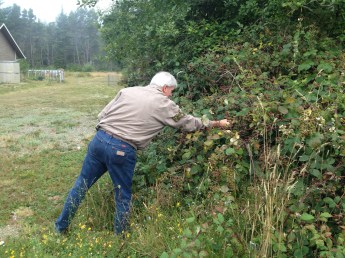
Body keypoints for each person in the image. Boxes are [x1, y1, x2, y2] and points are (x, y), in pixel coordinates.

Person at [55, 71, 229, 235]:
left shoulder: (127, 91)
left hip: (99, 141)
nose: (171, 95)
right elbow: (189, 123)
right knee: (122, 196)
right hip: (122, 150)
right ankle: (121, 238)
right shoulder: (163, 104)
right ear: (165, 88)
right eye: (171, 91)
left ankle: (61, 227)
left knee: (81, 185)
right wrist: (217, 123)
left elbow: (102, 115)